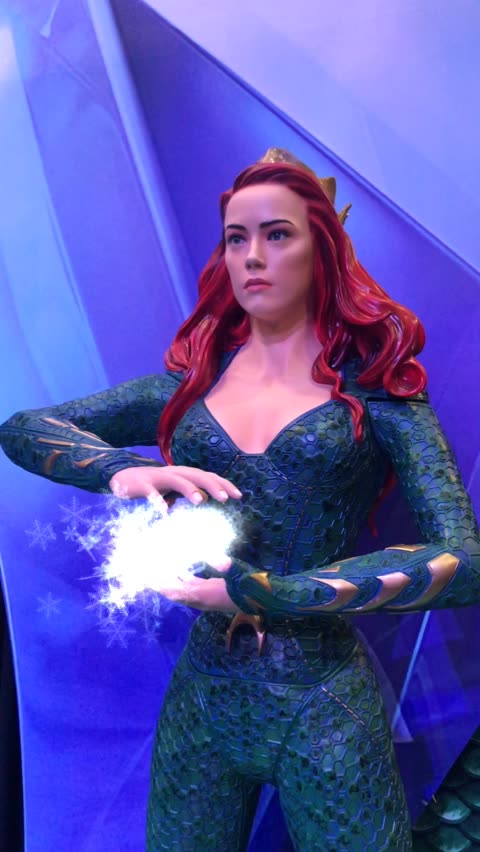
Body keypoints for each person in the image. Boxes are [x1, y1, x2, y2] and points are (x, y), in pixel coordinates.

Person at [1, 148, 479, 851]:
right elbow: (23, 427)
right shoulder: (190, 386)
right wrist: (117, 469)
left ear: (323, 247)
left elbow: (464, 561)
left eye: (277, 234)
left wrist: (272, 594)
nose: (252, 256)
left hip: (322, 700)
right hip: (204, 696)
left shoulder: (378, 394)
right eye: (236, 237)